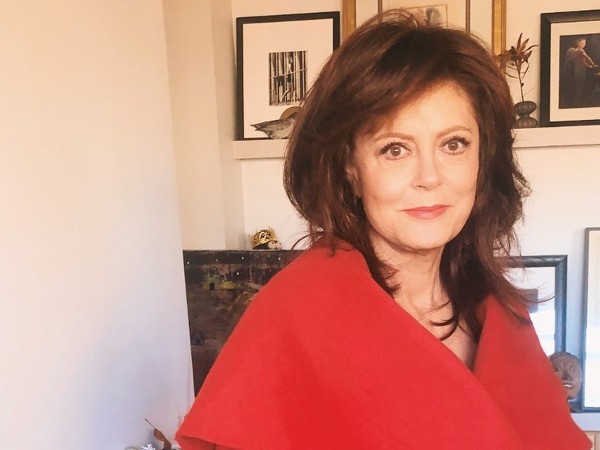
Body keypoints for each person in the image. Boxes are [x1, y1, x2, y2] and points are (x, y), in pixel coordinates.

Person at [176, 10, 590, 450]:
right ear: (350, 169)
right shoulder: (294, 317)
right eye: (395, 149)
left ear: (483, 159)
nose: (429, 177)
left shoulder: (502, 314)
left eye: (454, 144)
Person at [564, 37, 597, 106]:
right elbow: (587, 58)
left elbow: (584, 61)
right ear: (577, 43)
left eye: (584, 43)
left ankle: (577, 99)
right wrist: (593, 65)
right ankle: (577, 100)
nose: (583, 44)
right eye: (582, 43)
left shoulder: (579, 51)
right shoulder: (579, 51)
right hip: (578, 69)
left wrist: (590, 66)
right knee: (578, 84)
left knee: (580, 84)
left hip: (581, 69)